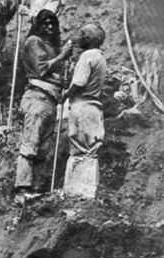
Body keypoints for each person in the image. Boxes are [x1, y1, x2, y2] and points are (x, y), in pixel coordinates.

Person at [14, 10, 72, 200]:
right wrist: (62, 56)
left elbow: (55, 73)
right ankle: (22, 188)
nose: (49, 27)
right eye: (45, 23)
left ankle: (36, 188)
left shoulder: (52, 46)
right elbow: (41, 69)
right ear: (38, 25)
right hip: (37, 98)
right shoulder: (33, 42)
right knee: (31, 144)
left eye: (52, 23)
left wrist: (63, 76)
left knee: (44, 149)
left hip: (51, 101)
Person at [61, 22, 107, 198]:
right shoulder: (100, 56)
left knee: (80, 150)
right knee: (90, 152)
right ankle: (88, 192)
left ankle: (77, 193)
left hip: (82, 106)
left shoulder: (87, 55)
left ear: (89, 39)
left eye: (82, 34)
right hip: (93, 108)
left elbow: (79, 83)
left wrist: (65, 94)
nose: (79, 37)